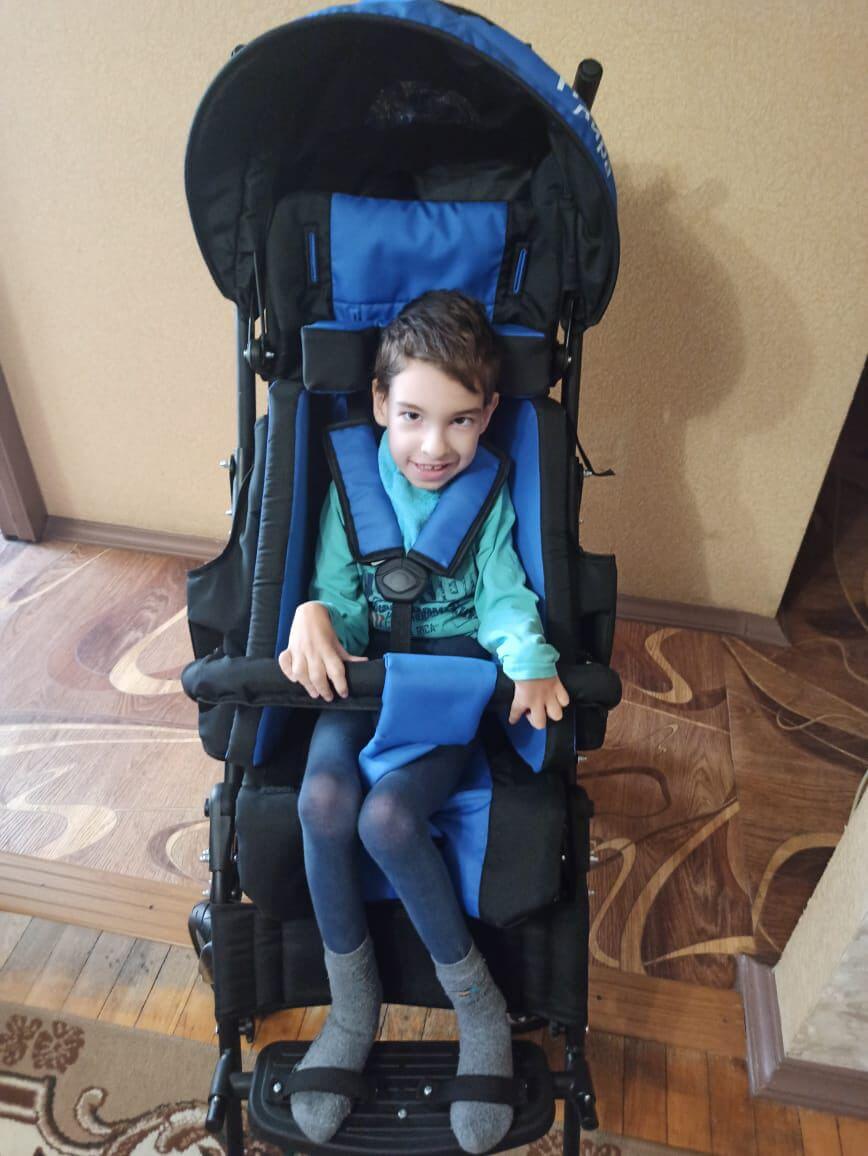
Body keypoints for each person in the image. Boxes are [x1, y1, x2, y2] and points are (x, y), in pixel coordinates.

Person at [278, 289, 568, 1154]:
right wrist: (310, 616)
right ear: (379, 404)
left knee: (389, 818)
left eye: (460, 422)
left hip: (443, 692)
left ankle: (477, 1005)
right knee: (322, 802)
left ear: (489, 415)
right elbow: (335, 594)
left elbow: (504, 596)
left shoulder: (487, 495)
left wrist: (529, 656)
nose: (434, 447)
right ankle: (352, 1003)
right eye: (412, 417)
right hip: (364, 681)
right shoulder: (352, 484)